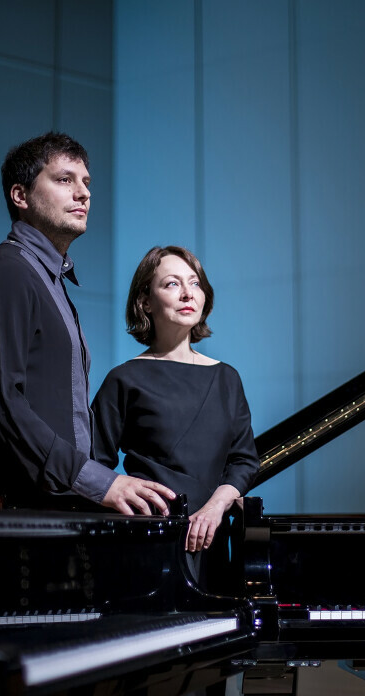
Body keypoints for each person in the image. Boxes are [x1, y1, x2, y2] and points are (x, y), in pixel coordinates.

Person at [0, 132, 176, 515]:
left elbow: (35, 397)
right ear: (20, 195)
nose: (83, 193)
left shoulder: (46, 278)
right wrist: (98, 481)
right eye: (64, 179)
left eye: (86, 182)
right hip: (20, 514)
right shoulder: (7, 272)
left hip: (47, 505)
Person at [91, 245, 259, 591]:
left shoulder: (227, 378)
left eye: (195, 283)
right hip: (148, 544)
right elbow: (93, 466)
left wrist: (215, 507)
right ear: (145, 302)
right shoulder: (124, 379)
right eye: (172, 284)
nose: (187, 293)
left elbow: (244, 461)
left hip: (213, 540)